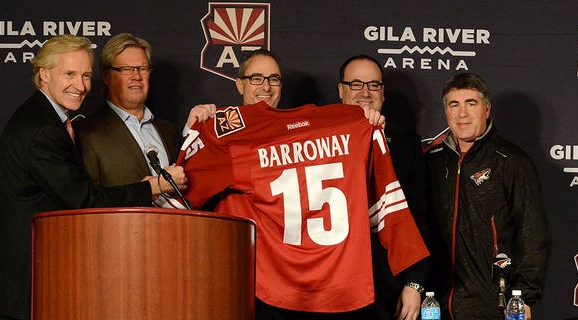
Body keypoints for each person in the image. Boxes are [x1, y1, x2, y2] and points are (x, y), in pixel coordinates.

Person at [167, 49, 429, 320]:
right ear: (240, 83)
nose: (266, 87)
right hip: (262, 285)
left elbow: (406, 213)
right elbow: (181, 192)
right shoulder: (227, 132)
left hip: (336, 287)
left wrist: (414, 279)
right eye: (256, 78)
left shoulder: (352, 127)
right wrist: (197, 132)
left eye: (273, 79)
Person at [0, 34, 187, 320]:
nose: (81, 85)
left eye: (85, 75)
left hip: (30, 282)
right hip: (23, 286)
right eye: (70, 74)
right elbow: (83, 199)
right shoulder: (42, 129)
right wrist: (151, 188)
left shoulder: (46, 118)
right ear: (44, 74)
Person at [423, 72, 551, 320]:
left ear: (487, 109)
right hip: (435, 304)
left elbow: (533, 235)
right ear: (446, 111)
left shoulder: (512, 162)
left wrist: (523, 297)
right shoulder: (431, 161)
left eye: (471, 103)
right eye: (454, 105)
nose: (462, 114)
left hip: (494, 304)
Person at [338, 55, 431, 320]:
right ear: (340, 90)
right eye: (355, 84)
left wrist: (414, 284)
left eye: (373, 85)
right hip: (328, 287)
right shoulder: (316, 136)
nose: (365, 93)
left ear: (383, 92)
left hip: (385, 285)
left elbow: (418, 217)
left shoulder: (405, 143)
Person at [76, 33, 181, 186]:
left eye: (143, 68)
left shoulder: (171, 132)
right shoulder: (86, 134)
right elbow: (88, 202)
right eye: (126, 69)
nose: (136, 76)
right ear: (106, 76)